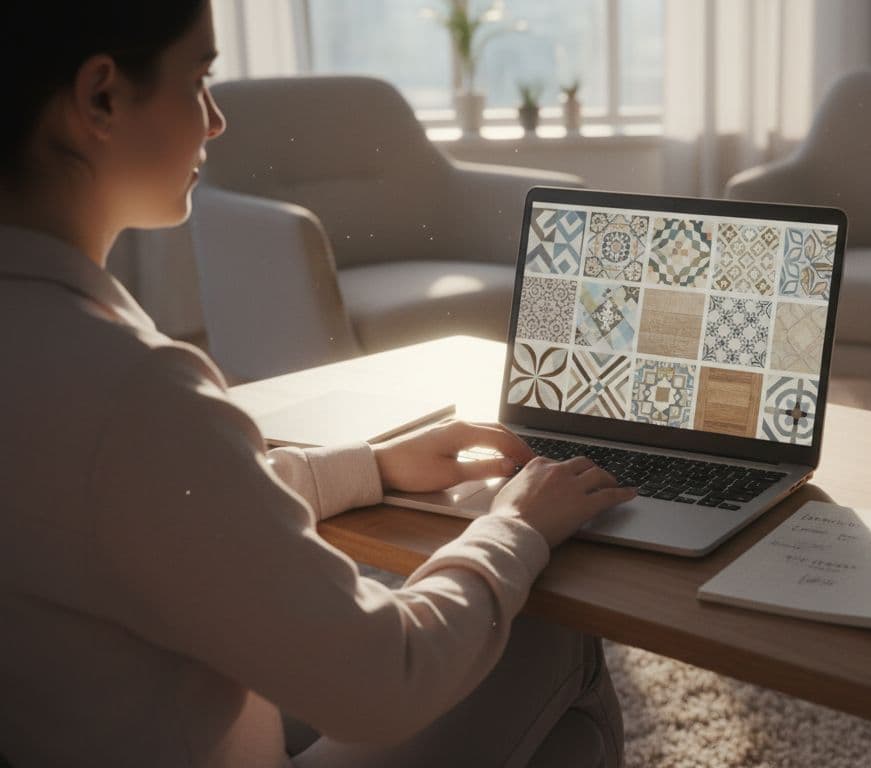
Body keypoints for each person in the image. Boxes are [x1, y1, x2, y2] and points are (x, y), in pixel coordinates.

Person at [0, 2, 636, 766]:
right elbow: (386, 680)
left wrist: (369, 467)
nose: (215, 121)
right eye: (200, 79)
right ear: (101, 98)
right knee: (542, 621)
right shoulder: (135, 389)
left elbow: (156, 511)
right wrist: (516, 526)